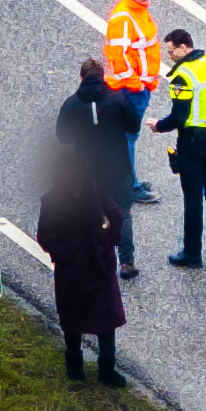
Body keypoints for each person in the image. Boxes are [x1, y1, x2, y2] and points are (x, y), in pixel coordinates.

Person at [35, 149, 128, 387]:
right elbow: (45, 236)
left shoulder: (95, 189)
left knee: (107, 316)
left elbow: (116, 215)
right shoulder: (52, 200)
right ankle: (74, 366)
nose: (75, 178)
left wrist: (109, 241)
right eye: (70, 173)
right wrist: (64, 253)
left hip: (98, 260)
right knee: (72, 315)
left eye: (79, 172)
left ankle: (107, 369)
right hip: (72, 267)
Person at [56, 58, 144, 279]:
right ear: (103, 76)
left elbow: (63, 137)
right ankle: (126, 262)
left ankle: (95, 261)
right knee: (123, 213)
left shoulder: (72, 104)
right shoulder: (118, 99)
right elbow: (133, 125)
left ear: (82, 77)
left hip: (87, 172)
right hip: (118, 168)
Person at [153, 27, 206, 267]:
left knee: (193, 199)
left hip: (193, 143)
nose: (170, 56)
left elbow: (178, 116)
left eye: (171, 51)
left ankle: (192, 253)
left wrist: (157, 125)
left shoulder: (183, 77)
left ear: (183, 47)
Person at [105, 0, 161, 205]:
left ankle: (126, 181)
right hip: (130, 89)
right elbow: (117, 56)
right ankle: (130, 186)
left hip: (141, 86)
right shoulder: (123, 18)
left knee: (127, 137)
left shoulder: (140, 11)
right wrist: (136, 83)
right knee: (127, 137)